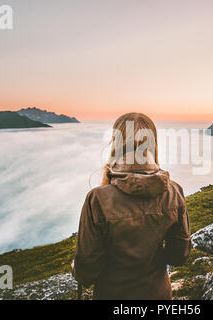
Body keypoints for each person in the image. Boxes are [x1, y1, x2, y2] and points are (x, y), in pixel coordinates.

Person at [71, 112, 191, 300]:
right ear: (153, 144)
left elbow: (86, 272)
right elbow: (178, 256)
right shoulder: (175, 192)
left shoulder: (97, 199)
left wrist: (75, 268)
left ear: (116, 144)